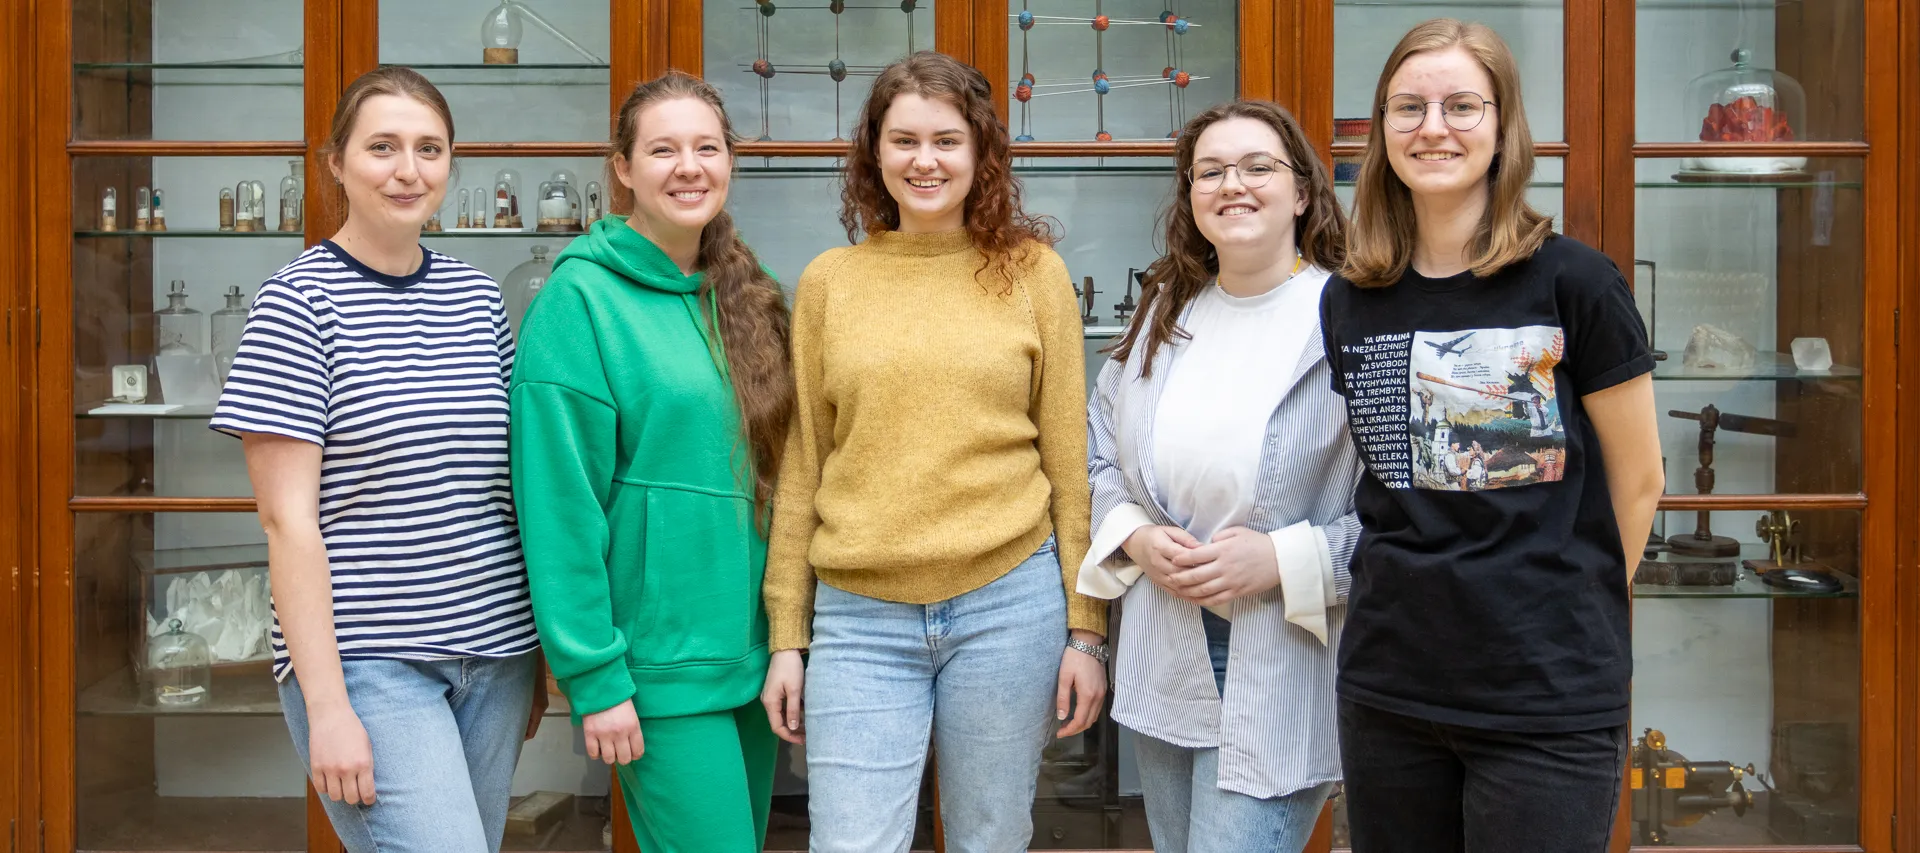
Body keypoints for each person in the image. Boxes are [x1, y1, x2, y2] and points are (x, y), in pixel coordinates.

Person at [1319, 18, 1666, 852]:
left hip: (1545, 696)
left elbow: (1641, 480)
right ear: (1383, 129)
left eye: (1461, 106)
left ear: (1503, 127)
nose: (1433, 127)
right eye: (1409, 107)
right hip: (1390, 688)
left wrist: (1559, 604)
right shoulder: (1351, 299)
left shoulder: (1576, 281)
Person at [756, 50, 1108, 853]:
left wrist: (1086, 630)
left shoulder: (1033, 275)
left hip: (1008, 605)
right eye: (905, 140)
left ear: (981, 151)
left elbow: (1068, 465)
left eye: (947, 140)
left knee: (990, 837)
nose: (926, 161)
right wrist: (787, 636)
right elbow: (804, 466)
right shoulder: (831, 282)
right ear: (874, 152)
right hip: (859, 613)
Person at [210, 66, 544, 853]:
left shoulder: (477, 298)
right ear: (336, 163)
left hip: (496, 653)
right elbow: (286, 521)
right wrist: (327, 708)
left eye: (430, 148)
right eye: (383, 147)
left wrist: (538, 655)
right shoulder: (296, 303)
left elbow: (508, 490)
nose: (408, 170)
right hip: (369, 663)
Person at [509, 71, 794, 853]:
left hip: (754, 658)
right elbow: (559, 508)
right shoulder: (579, 302)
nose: (688, 167)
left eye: (707, 148)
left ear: (729, 162)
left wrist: (789, 639)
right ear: (624, 168)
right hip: (658, 673)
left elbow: (783, 479)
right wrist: (594, 678)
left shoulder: (752, 294)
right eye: (663, 150)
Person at [1077, 99, 1360, 853]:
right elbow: (1098, 453)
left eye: (1257, 167)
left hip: (1284, 647)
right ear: (1191, 197)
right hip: (1165, 644)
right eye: (1210, 172)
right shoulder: (1163, 316)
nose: (1232, 184)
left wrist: (1283, 557)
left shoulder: (1353, 319)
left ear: (1302, 193)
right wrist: (1135, 537)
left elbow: (1408, 511)